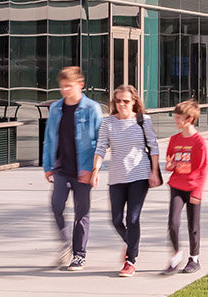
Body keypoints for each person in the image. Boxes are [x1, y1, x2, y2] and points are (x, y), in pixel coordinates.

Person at [93, 84, 159, 277]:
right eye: (118, 101)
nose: (122, 104)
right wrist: (95, 169)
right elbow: (101, 147)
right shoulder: (108, 123)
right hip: (117, 176)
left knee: (132, 218)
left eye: (126, 101)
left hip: (139, 175)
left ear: (134, 102)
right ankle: (132, 244)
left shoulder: (143, 120)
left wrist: (154, 172)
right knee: (115, 220)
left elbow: (153, 147)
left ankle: (130, 260)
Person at [41, 66, 102, 271]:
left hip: (83, 169)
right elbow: (49, 139)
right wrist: (47, 165)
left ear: (80, 85)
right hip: (61, 168)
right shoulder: (56, 108)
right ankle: (66, 243)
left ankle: (79, 255)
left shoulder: (92, 108)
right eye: (62, 87)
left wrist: (93, 170)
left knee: (81, 213)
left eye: (69, 86)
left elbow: (100, 143)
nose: (65, 90)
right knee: (56, 207)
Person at [162, 99, 208, 274]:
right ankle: (176, 256)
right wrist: (170, 166)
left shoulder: (199, 142)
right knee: (173, 223)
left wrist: (198, 191)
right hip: (177, 186)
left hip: (193, 187)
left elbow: (203, 169)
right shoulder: (174, 139)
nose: (175, 120)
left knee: (193, 226)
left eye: (178, 117)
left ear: (189, 119)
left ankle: (194, 259)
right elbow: (169, 164)